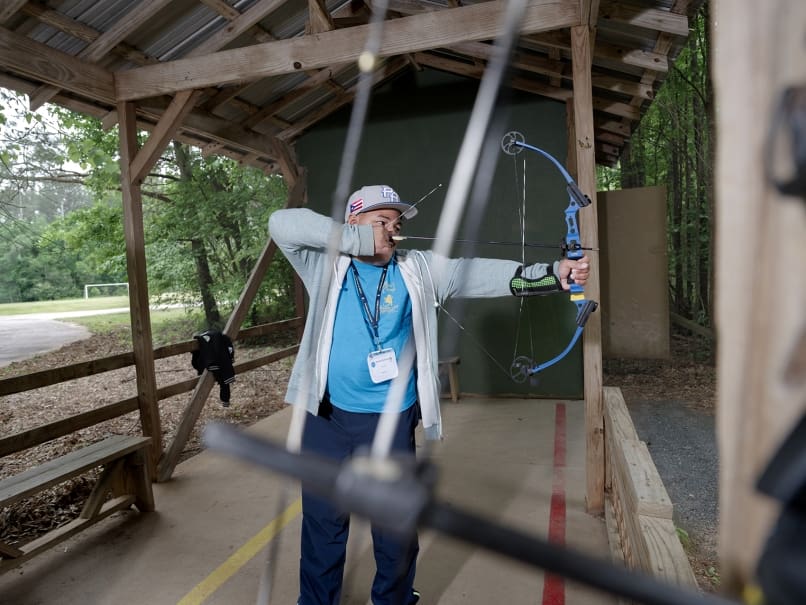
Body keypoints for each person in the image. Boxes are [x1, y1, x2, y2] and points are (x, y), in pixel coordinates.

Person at [268, 184, 590, 605]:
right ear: (352, 225)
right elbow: (281, 223)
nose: (392, 230)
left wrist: (552, 273)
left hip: (389, 419)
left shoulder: (417, 268)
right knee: (323, 524)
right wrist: (356, 241)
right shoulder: (324, 265)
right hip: (325, 417)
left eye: (396, 223)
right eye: (380, 222)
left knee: (394, 527)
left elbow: (474, 273)